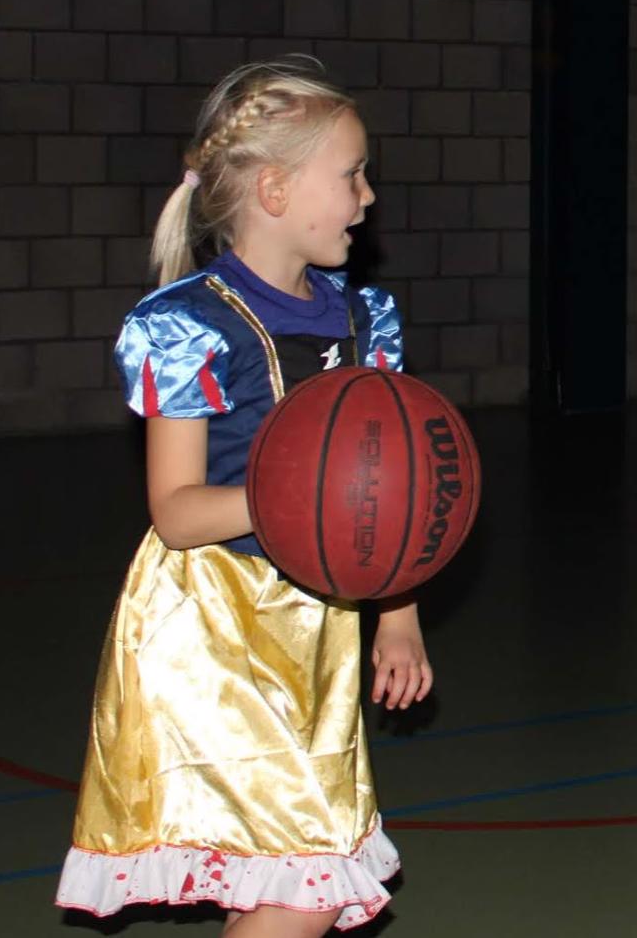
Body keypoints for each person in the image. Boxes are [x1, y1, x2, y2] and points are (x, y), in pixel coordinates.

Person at [56, 57, 428, 935]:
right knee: (310, 884)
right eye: (352, 174)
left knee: (292, 877)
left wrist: (399, 612)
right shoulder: (190, 324)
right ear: (275, 190)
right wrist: (301, 496)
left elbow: (393, 489)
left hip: (318, 627)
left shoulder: (364, 320)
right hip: (212, 626)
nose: (368, 196)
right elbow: (177, 511)